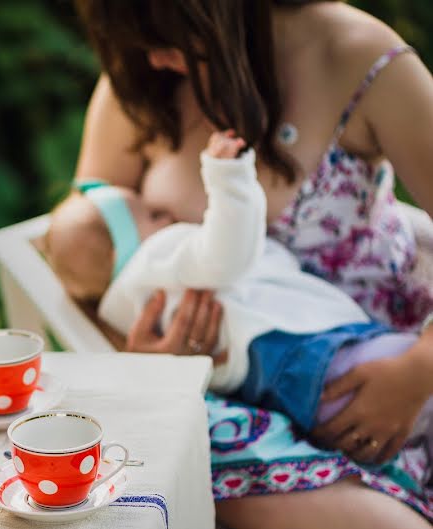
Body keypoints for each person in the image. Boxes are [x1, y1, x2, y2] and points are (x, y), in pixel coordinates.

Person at [66, 0, 433, 529]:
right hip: (234, 405)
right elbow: (84, 250)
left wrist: (419, 367)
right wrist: (141, 361)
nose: (154, 57)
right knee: (181, 437)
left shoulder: (362, 59)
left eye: (167, 37)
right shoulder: (140, 80)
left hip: (372, 381)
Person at [47, 129, 432, 450]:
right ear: (124, 246)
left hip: (280, 384)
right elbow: (228, 254)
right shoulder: (158, 257)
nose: (166, 215)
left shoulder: (127, 306)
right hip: (307, 347)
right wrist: (228, 177)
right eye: (149, 215)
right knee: (395, 381)